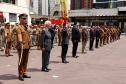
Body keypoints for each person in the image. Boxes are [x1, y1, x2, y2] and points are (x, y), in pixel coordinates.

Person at [15, 13, 31, 81]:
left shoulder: (26, 27)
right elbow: (19, 35)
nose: (25, 20)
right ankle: (20, 74)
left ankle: (24, 72)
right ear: (20, 19)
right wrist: (21, 41)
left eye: (26, 19)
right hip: (21, 46)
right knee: (21, 61)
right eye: (24, 19)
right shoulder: (18, 27)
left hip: (27, 46)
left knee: (26, 60)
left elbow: (28, 35)